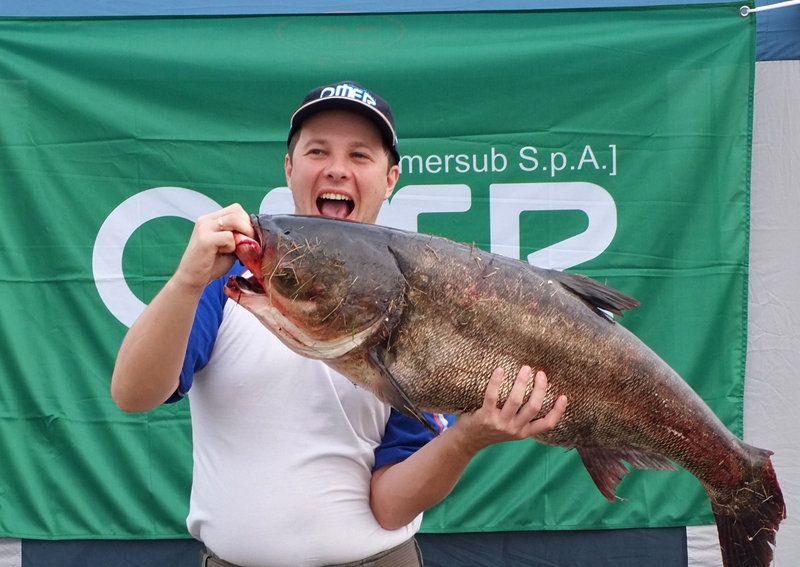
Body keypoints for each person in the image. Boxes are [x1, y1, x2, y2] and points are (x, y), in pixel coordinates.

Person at [111, 81, 568, 567]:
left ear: (391, 177)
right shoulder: (228, 280)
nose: (337, 169)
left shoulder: (418, 300)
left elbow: (389, 507)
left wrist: (466, 439)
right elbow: (134, 394)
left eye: (359, 155)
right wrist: (186, 280)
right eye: (317, 150)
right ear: (289, 167)